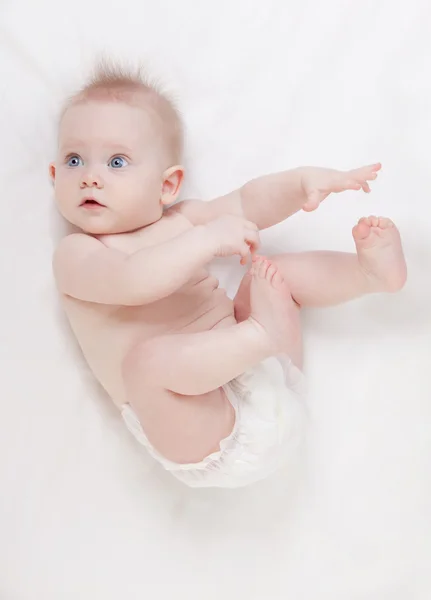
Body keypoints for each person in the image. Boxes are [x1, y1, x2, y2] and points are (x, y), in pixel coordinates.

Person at [51, 63, 407, 487]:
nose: (91, 176)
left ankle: (366, 273)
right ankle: (259, 334)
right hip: (200, 430)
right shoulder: (78, 254)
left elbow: (247, 203)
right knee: (144, 365)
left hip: (260, 379)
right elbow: (132, 281)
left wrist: (300, 184)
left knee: (270, 275)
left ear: (167, 187)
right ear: (55, 177)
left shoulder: (185, 220)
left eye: (116, 161)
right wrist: (206, 241)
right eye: (74, 160)